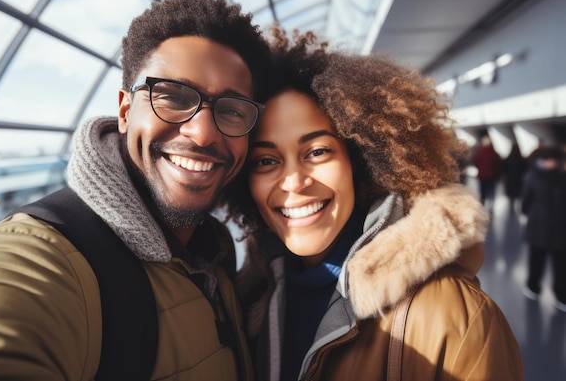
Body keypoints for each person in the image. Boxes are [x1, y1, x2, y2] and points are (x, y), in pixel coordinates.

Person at [0, 0, 271, 380]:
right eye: (173, 96)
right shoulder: (44, 261)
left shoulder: (214, 250)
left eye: (231, 110)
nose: (202, 133)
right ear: (126, 111)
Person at [221, 30, 524, 380]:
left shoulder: (456, 320)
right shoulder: (251, 298)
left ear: (360, 161)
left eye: (317, 151)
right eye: (265, 161)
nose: (293, 182)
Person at [520, 145, 566, 312]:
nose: (551, 163)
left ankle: (561, 295)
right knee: (536, 262)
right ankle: (533, 287)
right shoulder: (535, 177)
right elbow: (525, 202)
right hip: (540, 227)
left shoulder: (556, 177)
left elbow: (525, 204)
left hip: (558, 229)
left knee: (560, 266)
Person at [473, 134, 503, 210]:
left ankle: (482, 205)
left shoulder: (480, 152)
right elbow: (499, 165)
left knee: (483, 192)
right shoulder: (494, 153)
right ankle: (491, 206)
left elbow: (476, 163)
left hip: (482, 176)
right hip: (492, 176)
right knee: (491, 192)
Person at [502, 142, 527, 210]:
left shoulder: (508, 158)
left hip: (510, 179)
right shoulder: (521, 159)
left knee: (511, 195)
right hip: (518, 179)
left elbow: (504, 168)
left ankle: (511, 207)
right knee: (518, 194)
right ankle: (518, 207)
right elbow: (524, 169)